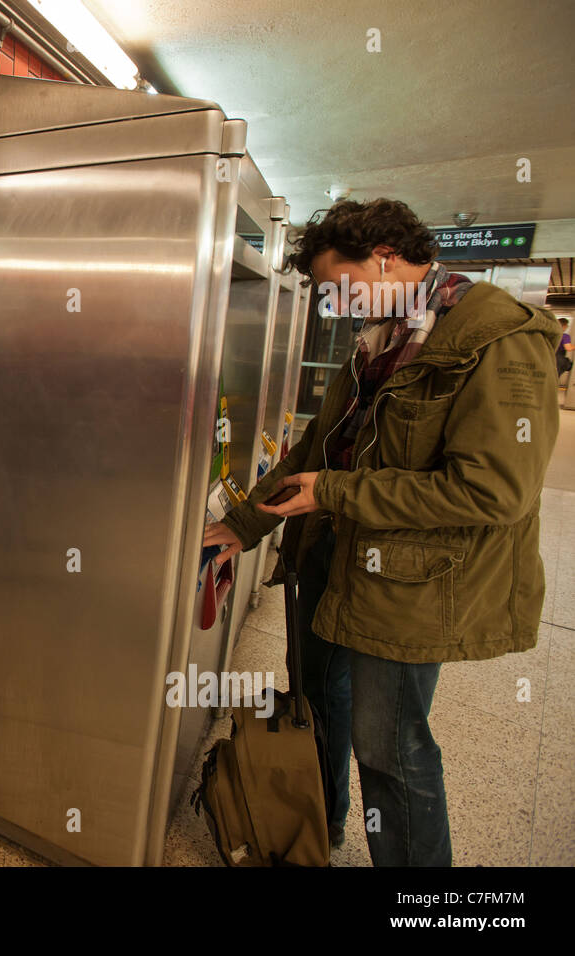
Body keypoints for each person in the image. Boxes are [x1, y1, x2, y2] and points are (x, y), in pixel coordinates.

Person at [203, 198, 560, 866]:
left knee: (391, 750)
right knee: (318, 703)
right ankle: (322, 825)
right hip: (334, 556)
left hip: (410, 584)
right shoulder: (381, 338)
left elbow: (494, 491)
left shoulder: (499, 339)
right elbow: (322, 444)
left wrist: (333, 492)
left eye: (343, 286)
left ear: (387, 257)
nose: (337, 305)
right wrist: (244, 523)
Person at [556, 317, 572, 383]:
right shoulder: (565, 336)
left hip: (548, 359)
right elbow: (568, 347)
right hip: (558, 360)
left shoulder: (550, 335)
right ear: (564, 326)